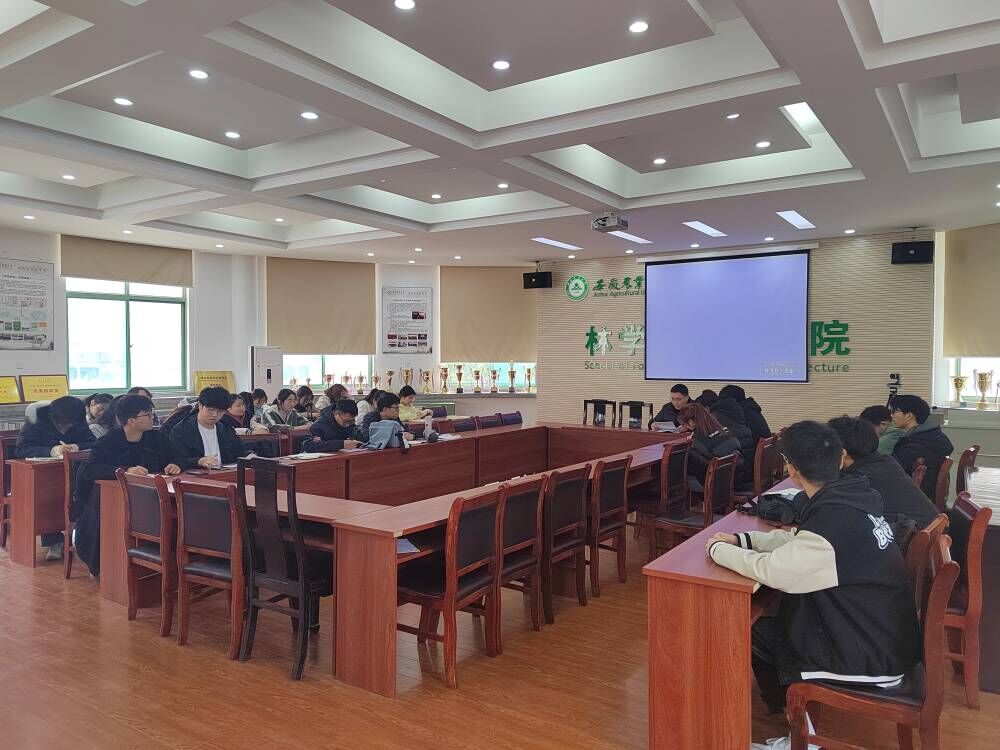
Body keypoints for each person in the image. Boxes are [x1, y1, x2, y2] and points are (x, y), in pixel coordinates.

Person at [706, 421, 920, 750]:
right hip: (884, 635)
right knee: (771, 623)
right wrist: (743, 540)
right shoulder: (853, 496)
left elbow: (774, 571)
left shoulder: (833, 518)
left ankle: (803, 739)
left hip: (871, 656)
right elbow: (800, 540)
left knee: (755, 631)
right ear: (839, 458)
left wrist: (718, 550)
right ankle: (796, 728)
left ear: (791, 469)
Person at [73, 395, 181, 575]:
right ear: (131, 421)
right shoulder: (109, 441)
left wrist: (175, 464)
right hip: (116, 501)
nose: (152, 418)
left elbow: (176, 456)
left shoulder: (157, 438)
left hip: (152, 497)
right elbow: (90, 469)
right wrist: (125, 470)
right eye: (147, 414)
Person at [15, 395, 97, 560]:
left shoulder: (78, 420)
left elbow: (94, 443)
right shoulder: (36, 421)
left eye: (71, 425)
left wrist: (77, 446)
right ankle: (54, 540)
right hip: (44, 473)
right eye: (62, 425)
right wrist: (52, 450)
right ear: (53, 417)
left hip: (75, 472)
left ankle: (84, 539)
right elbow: (22, 450)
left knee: (88, 496)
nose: (66, 428)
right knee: (47, 497)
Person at [827, 416, 938, 533]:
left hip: (913, 537)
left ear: (842, 453)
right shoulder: (884, 463)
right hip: (928, 531)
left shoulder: (860, 480)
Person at [169, 387, 252, 470]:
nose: (215, 415)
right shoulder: (182, 430)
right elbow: (176, 459)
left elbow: (239, 449)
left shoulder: (225, 428)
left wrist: (249, 454)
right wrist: (199, 461)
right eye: (210, 410)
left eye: (220, 411)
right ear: (200, 406)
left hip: (224, 474)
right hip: (197, 475)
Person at [890, 394, 954, 499]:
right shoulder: (931, 436)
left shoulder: (916, 445)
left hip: (913, 498)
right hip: (924, 496)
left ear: (909, 416)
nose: (891, 415)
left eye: (895, 411)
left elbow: (892, 469)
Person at [676, 403, 741, 483]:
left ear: (691, 422)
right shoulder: (723, 429)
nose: (683, 426)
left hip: (715, 482)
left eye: (684, 424)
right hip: (736, 475)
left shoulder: (698, 443)